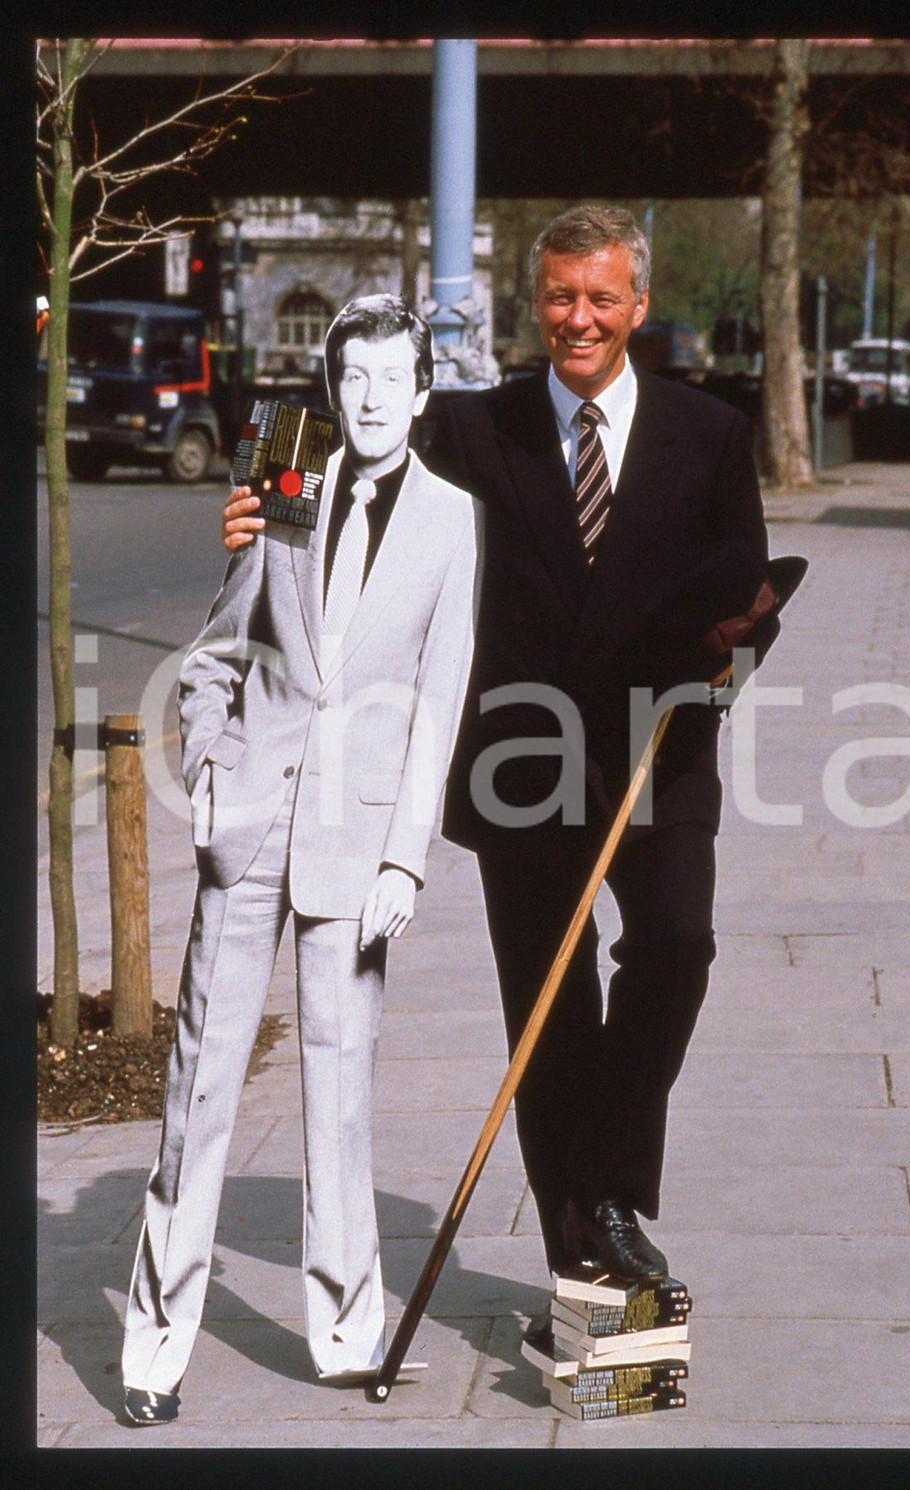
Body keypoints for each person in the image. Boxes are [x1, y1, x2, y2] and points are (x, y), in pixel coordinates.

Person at [222, 208, 786, 1344]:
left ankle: (611, 1186)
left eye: (602, 297)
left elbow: (747, 579)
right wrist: (261, 503)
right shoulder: (478, 428)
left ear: (636, 304)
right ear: (538, 302)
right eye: (561, 296)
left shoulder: (710, 431)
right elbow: (339, 441)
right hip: (518, 765)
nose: (580, 318)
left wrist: (730, 652)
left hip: (653, 757)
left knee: (678, 943)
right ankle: (586, 1257)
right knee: (550, 1012)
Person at [122, 295, 477, 1425]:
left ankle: (344, 1331)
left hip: (360, 838)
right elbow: (219, 650)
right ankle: (153, 1345)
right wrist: (213, 775)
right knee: (199, 1086)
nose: (369, 400)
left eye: (391, 379)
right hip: (250, 824)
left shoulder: (454, 520)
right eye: (352, 379)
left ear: (423, 393)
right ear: (332, 390)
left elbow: (438, 702)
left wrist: (404, 862)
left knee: (341, 1090)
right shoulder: (284, 487)